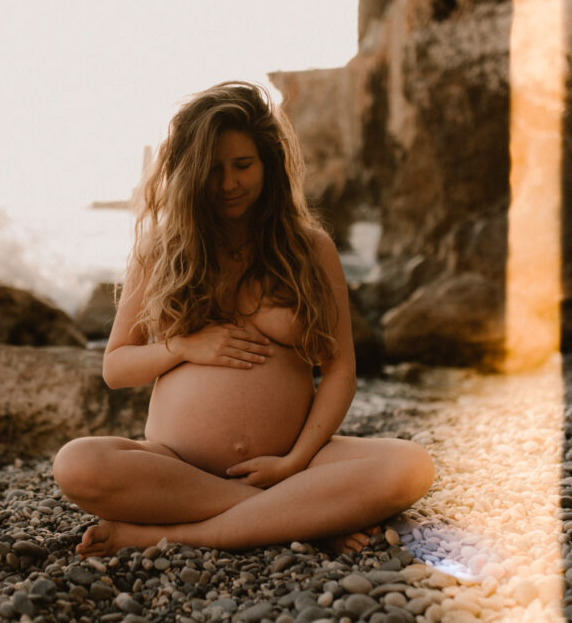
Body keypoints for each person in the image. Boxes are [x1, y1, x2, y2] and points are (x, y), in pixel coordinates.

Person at [53, 81, 434, 556]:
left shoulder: (309, 249)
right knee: (78, 463)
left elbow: (340, 371)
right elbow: (115, 367)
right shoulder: (163, 252)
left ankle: (173, 535)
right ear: (190, 173)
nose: (229, 183)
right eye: (212, 170)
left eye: (242, 165)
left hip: (294, 461)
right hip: (178, 467)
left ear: (268, 163)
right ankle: (300, 518)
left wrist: (295, 463)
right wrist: (185, 347)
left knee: (412, 466)